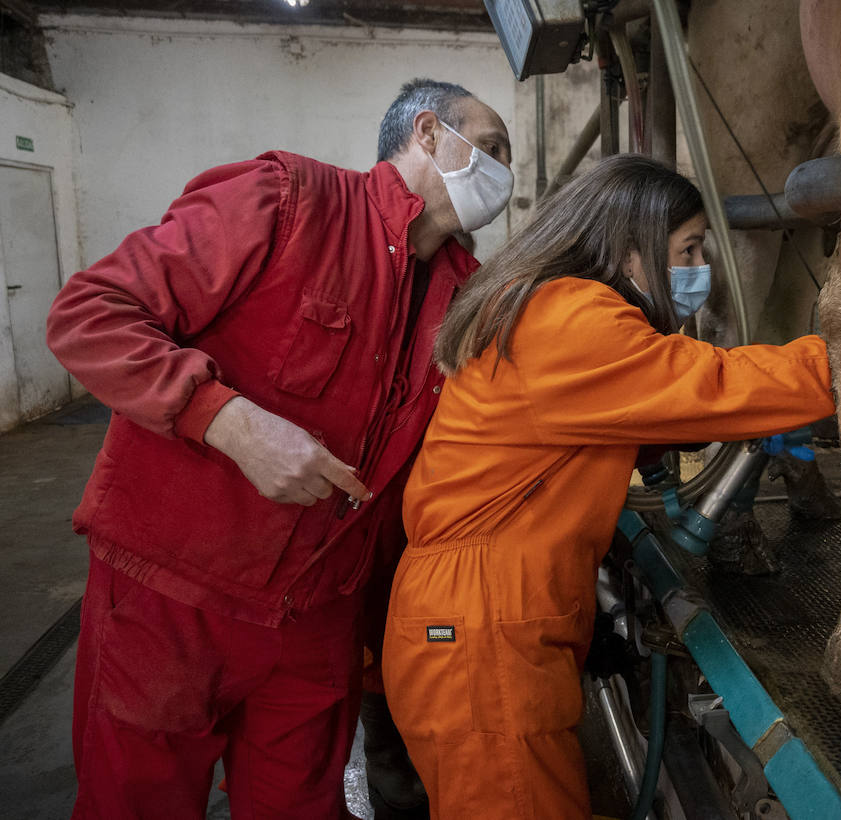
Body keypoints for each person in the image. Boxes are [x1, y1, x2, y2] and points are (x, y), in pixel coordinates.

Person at [45, 78, 512, 820]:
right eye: (489, 148)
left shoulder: (467, 296)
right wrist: (226, 420)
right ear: (427, 134)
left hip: (318, 618)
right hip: (175, 594)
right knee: (136, 801)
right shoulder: (287, 200)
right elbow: (88, 314)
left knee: (300, 806)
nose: (502, 176)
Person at [381, 154, 835, 818]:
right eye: (686, 248)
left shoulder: (540, 300)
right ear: (629, 250)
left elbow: (601, 422)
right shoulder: (568, 314)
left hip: (482, 615)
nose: (696, 266)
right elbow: (709, 384)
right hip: (480, 633)